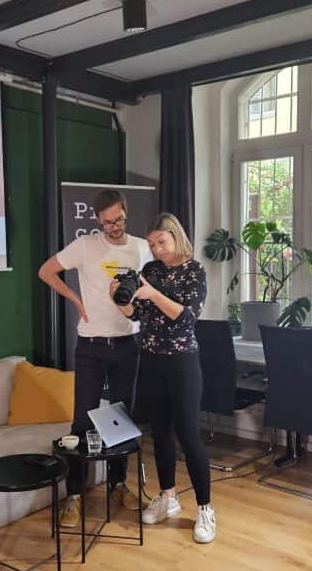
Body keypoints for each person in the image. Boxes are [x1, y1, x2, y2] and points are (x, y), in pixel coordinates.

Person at [38, 188, 150, 527]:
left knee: (122, 419)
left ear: (126, 213)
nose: (114, 227)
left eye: (119, 220)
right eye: (107, 222)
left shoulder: (141, 247)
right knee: (82, 421)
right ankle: (74, 495)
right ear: (97, 220)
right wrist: (75, 300)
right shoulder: (85, 245)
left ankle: (118, 484)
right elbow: (46, 271)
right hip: (90, 345)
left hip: (127, 343)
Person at [111, 212, 215, 544]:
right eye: (152, 243)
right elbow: (138, 315)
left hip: (183, 362)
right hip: (152, 360)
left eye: (162, 241)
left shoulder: (194, 271)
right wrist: (120, 300)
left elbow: (186, 319)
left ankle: (205, 509)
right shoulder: (151, 271)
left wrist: (153, 294)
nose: (157, 249)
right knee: (160, 433)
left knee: (188, 433)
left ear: (176, 236)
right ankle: (168, 497)